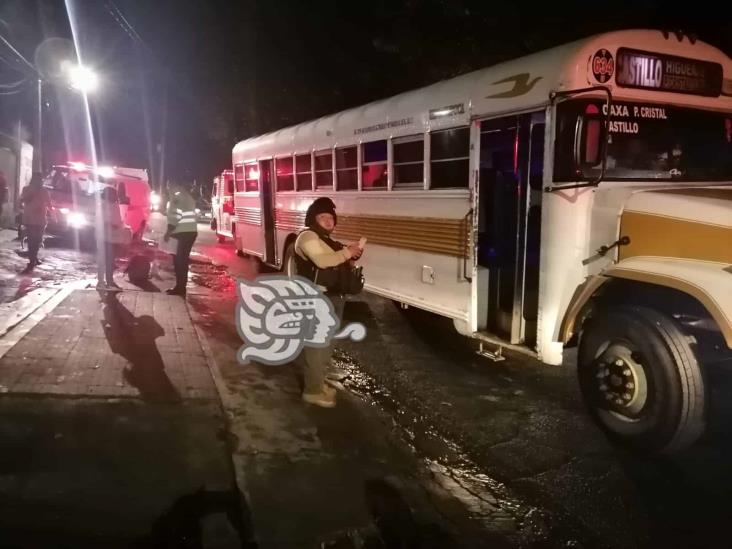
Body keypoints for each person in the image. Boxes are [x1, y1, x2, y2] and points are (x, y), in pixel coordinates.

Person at [293, 197, 363, 408]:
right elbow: (322, 261)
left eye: (330, 217)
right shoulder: (307, 236)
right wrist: (346, 252)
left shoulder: (326, 239)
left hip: (332, 297)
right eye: (322, 216)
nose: (327, 220)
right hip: (317, 299)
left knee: (327, 346)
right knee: (317, 346)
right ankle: (312, 391)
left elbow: (335, 261)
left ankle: (318, 383)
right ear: (313, 218)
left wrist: (350, 256)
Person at [164, 180, 198, 297]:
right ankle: (180, 287)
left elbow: (175, 216)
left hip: (181, 233)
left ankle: (180, 288)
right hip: (190, 232)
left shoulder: (176, 197)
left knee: (179, 261)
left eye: (169, 185)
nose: (167, 188)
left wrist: (168, 232)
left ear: (175, 185)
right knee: (182, 260)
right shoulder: (187, 197)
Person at [19, 172, 51, 273]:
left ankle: (33, 259)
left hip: (33, 219)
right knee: (36, 240)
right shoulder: (43, 191)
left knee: (33, 240)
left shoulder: (28, 189)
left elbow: (21, 201)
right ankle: (33, 259)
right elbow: (49, 203)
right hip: (37, 219)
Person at [96, 186, 124, 291]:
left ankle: (109, 281)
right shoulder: (103, 205)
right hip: (105, 237)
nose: (116, 197)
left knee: (110, 260)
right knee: (105, 260)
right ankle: (104, 282)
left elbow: (117, 220)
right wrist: (113, 226)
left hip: (112, 237)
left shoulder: (113, 205)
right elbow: (103, 222)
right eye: (113, 194)